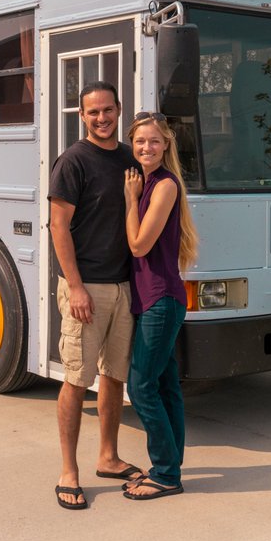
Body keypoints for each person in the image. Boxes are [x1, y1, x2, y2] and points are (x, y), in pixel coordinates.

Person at [48, 81, 143, 510]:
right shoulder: (73, 161)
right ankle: (68, 471)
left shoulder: (129, 158)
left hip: (124, 286)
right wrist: (75, 286)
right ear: (81, 116)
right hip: (86, 288)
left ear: (119, 109)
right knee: (76, 379)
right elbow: (58, 226)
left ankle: (108, 457)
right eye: (93, 112)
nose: (101, 118)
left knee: (114, 376)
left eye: (107, 110)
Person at [122, 111, 198, 500]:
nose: (146, 147)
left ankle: (166, 473)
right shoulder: (149, 181)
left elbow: (139, 245)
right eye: (140, 141)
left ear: (166, 144)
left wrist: (130, 200)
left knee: (140, 388)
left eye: (154, 141)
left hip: (161, 300)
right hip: (155, 299)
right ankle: (169, 466)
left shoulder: (164, 185)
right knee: (166, 388)